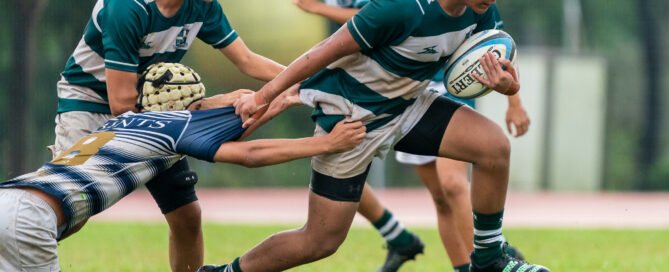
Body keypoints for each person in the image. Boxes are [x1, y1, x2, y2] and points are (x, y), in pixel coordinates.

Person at [205, 0, 550, 271]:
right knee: (320, 241)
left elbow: (481, 67)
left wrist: (507, 88)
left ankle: (489, 256)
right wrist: (263, 97)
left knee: (493, 146)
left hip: (409, 105)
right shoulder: (400, 7)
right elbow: (319, 54)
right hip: (352, 116)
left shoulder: (481, 13)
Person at [0, 88, 366, 272]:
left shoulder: (123, 123)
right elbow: (250, 155)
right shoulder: (174, 129)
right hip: (31, 219)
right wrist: (325, 143)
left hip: (11, 197)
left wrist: (279, 100)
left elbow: (226, 127)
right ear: (191, 107)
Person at [292, 0, 530, 271]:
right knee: (441, 198)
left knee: (454, 184)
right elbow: (368, 25)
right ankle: (449, 259)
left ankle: (488, 255)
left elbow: (498, 49)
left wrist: (514, 99)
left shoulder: (480, 6)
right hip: (406, 86)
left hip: (449, 88)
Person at [52, 0, 285, 271]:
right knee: (70, 210)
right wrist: (207, 105)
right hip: (89, 103)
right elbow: (122, 105)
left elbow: (246, 60)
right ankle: (15, 239)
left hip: (156, 109)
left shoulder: (203, 5)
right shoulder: (126, 7)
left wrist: (307, 84)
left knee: (186, 216)